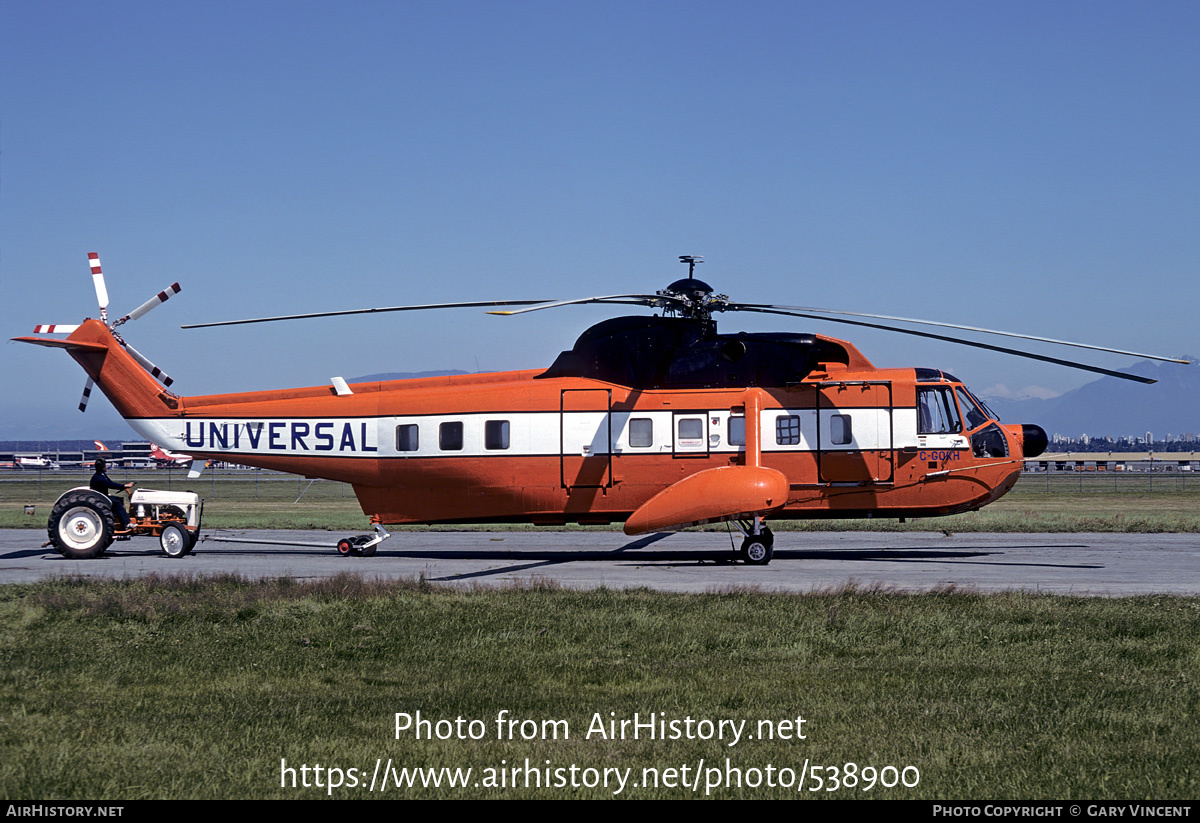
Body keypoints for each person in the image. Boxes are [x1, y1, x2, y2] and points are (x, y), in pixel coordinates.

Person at [90, 457, 133, 531]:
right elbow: (110, 484)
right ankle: (127, 523)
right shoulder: (98, 478)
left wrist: (123, 486)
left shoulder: (102, 475)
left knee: (119, 499)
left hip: (103, 496)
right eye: (105, 466)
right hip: (101, 498)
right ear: (101, 467)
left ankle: (119, 518)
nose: (106, 467)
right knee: (116, 503)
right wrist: (124, 486)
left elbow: (111, 482)